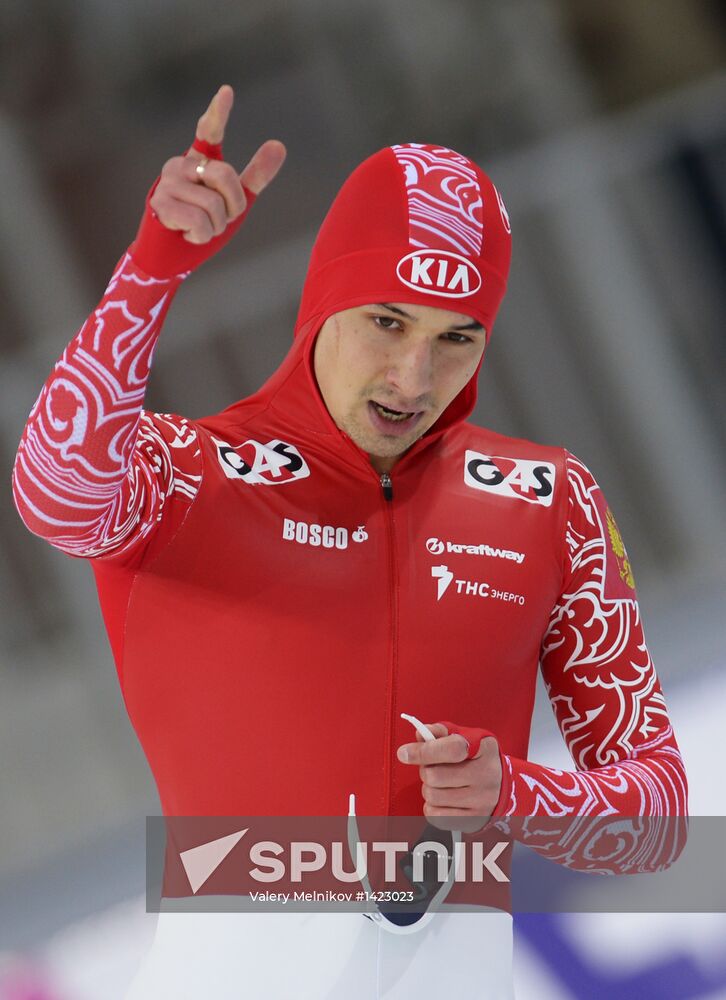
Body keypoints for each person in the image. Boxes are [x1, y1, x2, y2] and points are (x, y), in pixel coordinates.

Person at [12, 85, 687, 999]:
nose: (415, 376)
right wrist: (153, 267)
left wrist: (515, 796)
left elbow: (658, 814)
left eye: (458, 338)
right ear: (325, 300)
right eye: (387, 321)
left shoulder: (547, 499)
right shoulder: (190, 475)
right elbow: (54, 493)